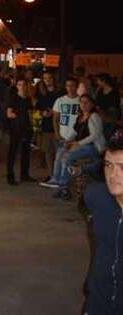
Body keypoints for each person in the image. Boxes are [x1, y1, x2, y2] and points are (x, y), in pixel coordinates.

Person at [83, 132, 123, 313]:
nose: (113, 175)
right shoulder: (95, 197)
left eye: (122, 167)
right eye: (108, 165)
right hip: (98, 301)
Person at [53, 94, 106, 200]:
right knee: (61, 151)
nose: (83, 104)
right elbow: (75, 131)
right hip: (82, 145)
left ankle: (64, 187)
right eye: (81, 102)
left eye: (86, 102)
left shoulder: (94, 116)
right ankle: (56, 180)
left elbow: (95, 135)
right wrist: (67, 141)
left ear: (92, 104)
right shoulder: (80, 116)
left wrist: (78, 144)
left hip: (92, 147)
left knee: (67, 156)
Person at [6, 77, 35, 185]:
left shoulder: (28, 99)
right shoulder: (13, 98)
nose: (22, 87)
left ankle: (24, 175)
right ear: (17, 86)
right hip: (16, 129)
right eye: (20, 84)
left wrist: (32, 125)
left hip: (27, 129)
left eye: (24, 84)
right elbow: (9, 114)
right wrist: (19, 116)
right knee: (13, 153)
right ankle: (10, 176)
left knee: (26, 152)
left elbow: (30, 113)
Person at [35, 72, 61, 171]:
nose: (48, 80)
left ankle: (58, 173)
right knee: (48, 151)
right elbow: (37, 110)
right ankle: (51, 174)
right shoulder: (41, 93)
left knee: (59, 152)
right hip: (46, 125)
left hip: (59, 125)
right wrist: (43, 113)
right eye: (45, 78)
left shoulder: (60, 92)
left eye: (49, 78)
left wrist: (55, 113)